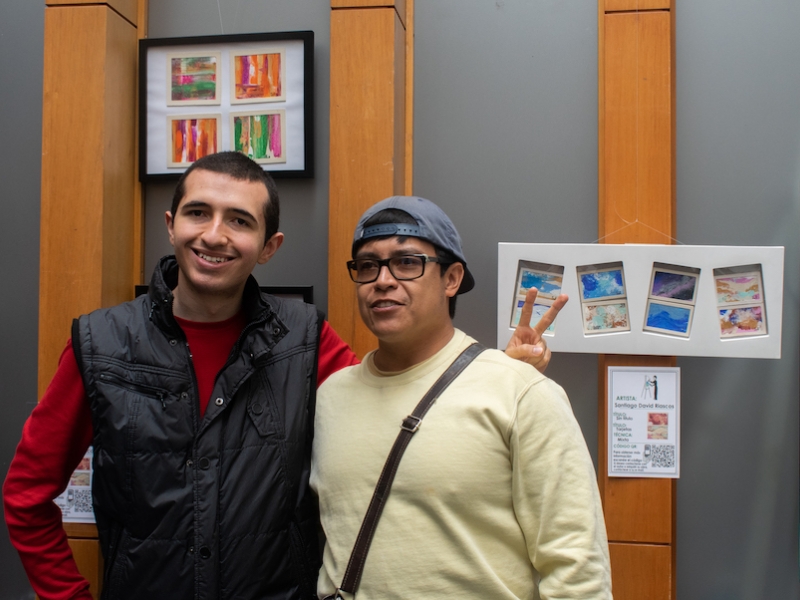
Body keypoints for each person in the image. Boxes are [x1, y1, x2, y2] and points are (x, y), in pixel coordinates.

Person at [4, 154, 560, 599]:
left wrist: (493, 377)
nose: (215, 235)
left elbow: (396, 408)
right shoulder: (99, 343)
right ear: (172, 226)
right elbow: (27, 496)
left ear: (269, 247)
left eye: (240, 221)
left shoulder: (306, 338)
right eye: (199, 213)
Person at [311, 196, 612, 599]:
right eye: (368, 266)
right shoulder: (330, 397)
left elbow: (576, 564)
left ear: (451, 279)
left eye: (406, 262)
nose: (383, 280)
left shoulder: (521, 393)